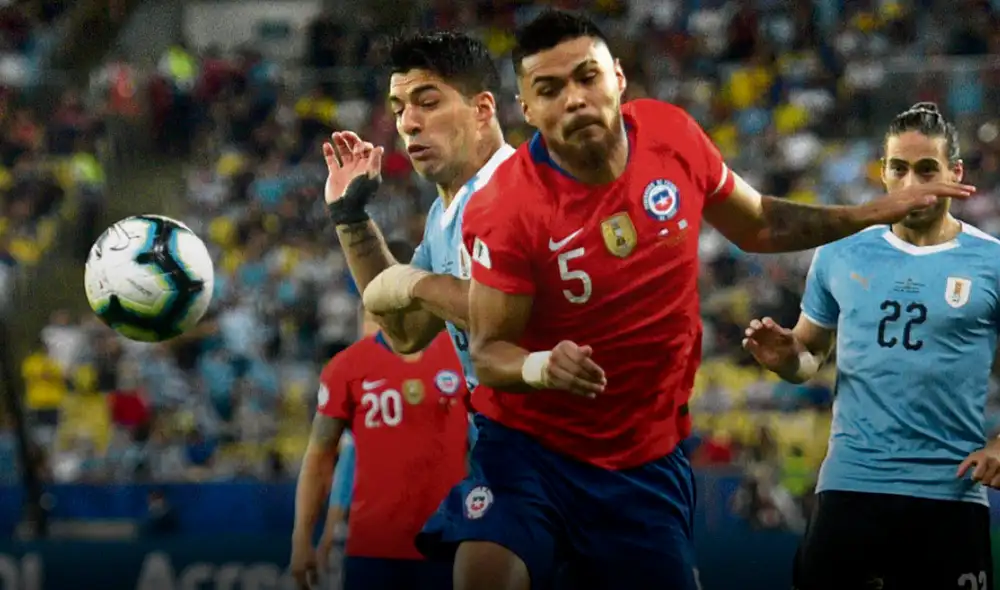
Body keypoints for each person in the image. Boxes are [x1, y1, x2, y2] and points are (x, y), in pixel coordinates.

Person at [415, 11, 978, 590]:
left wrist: (868, 214)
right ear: (527, 109)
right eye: (550, 89)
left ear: (618, 77)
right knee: (485, 575)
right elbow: (489, 352)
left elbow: (761, 224)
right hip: (530, 450)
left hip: (643, 460)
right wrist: (540, 365)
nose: (575, 99)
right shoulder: (506, 207)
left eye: (587, 77)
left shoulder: (671, 135)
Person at [743, 102, 999, 590]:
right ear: (882, 172)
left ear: (956, 173)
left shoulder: (992, 262)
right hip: (851, 488)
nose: (911, 184)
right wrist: (787, 359)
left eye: (927, 170)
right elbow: (808, 357)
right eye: (898, 169)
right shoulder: (840, 250)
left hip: (950, 494)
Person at [322, 32, 513, 387]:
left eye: (427, 103)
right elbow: (406, 332)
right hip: (496, 419)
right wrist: (351, 219)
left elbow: (504, 317)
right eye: (398, 110)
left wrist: (416, 284)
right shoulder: (442, 214)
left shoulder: (516, 190)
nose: (408, 123)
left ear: (482, 110)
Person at [290, 256, 473, 590]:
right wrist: (302, 539)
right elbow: (320, 457)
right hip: (372, 549)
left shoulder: (459, 356)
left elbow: (485, 445)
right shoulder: (347, 367)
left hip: (448, 543)